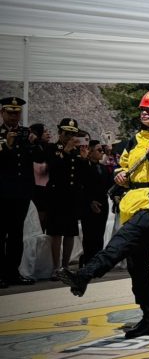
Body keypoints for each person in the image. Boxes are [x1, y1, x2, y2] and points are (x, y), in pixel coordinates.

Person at [56, 88, 149, 339]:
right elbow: (123, 166)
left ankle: (84, 275)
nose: (144, 113)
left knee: (119, 242)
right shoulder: (136, 139)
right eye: (143, 109)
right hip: (133, 203)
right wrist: (119, 176)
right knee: (137, 267)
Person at [42, 119, 88, 279]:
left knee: (70, 232)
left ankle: (65, 266)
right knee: (56, 233)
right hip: (56, 196)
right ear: (60, 132)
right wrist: (66, 152)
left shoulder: (77, 151)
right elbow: (52, 168)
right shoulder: (52, 148)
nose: (70, 137)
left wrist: (84, 159)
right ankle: (56, 267)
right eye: (67, 133)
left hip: (72, 197)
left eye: (73, 134)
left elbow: (81, 175)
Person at [0, 96, 39, 287]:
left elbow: (40, 158)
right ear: (2, 113)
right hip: (2, 193)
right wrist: (7, 146)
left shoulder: (26, 134)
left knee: (16, 234)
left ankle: (13, 272)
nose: (14, 116)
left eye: (17, 113)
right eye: (10, 112)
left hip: (21, 192)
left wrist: (34, 143)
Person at [80, 140, 113, 268]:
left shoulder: (103, 168)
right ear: (90, 152)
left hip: (103, 203)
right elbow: (82, 186)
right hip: (89, 205)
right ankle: (88, 261)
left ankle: (97, 261)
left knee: (99, 234)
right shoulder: (85, 167)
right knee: (89, 235)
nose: (102, 152)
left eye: (102, 150)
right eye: (99, 150)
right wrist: (90, 201)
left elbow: (109, 184)